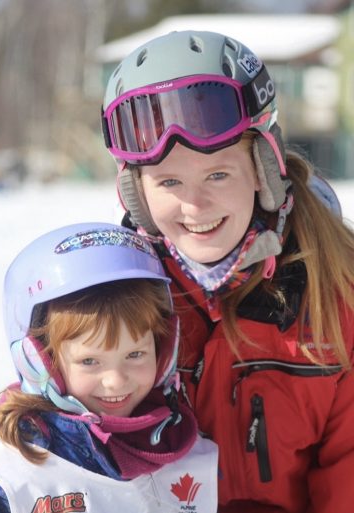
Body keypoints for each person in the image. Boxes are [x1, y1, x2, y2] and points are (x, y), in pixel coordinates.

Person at [101, 30, 354, 513]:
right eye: (169, 181)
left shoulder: (337, 301)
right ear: (137, 195)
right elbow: (58, 418)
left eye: (218, 174)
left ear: (264, 170)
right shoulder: (116, 299)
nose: (194, 205)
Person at [0, 222, 218, 513]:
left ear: (164, 349)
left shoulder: (191, 451)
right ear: (39, 360)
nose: (116, 382)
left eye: (135, 354)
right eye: (89, 361)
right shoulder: (4, 475)